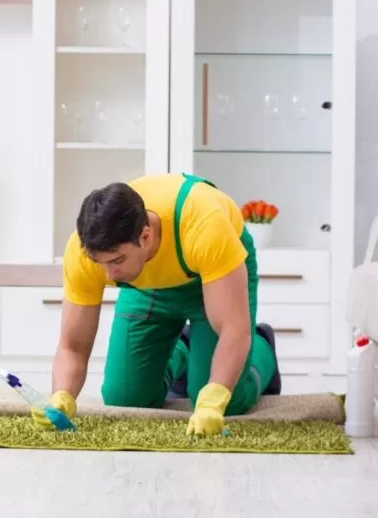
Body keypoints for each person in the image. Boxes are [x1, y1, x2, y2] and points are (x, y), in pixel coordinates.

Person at [32, 172, 281, 436]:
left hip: (210, 277)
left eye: (117, 261)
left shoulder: (204, 223)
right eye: (99, 263)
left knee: (226, 401)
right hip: (145, 282)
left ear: (145, 237)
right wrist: (62, 396)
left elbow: (234, 330)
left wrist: (212, 402)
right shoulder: (86, 252)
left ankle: (261, 345)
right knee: (125, 399)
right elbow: (73, 346)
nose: (109, 275)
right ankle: (186, 348)